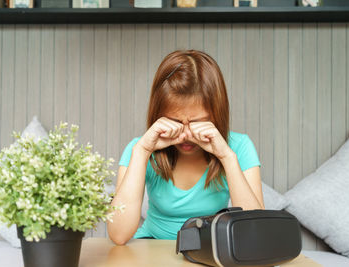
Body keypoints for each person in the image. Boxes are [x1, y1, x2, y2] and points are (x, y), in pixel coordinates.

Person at [107, 49, 265, 245]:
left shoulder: (239, 147)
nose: (186, 135)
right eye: (175, 122)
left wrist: (226, 157)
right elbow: (118, 235)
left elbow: (255, 232)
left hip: (210, 251)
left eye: (198, 122)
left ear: (216, 115)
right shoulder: (140, 148)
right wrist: (142, 152)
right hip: (152, 246)